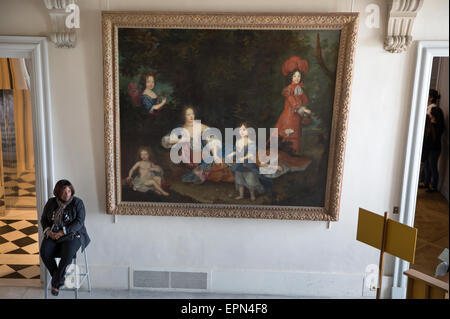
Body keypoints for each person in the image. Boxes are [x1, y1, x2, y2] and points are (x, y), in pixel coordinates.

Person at [40, 180, 91, 296]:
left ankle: (56, 282)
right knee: (44, 252)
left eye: (69, 191)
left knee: (67, 254)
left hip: (73, 235)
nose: (67, 194)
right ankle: (59, 278)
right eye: (63, 192)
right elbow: (43, 219)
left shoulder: (78, 203)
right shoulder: (51, 203)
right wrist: (49, 231)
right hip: (53, 234)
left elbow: (79, 222)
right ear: (57, 193)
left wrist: (63, 231)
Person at [273, 56, 311, 156]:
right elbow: (293, 103)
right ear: (291, 77)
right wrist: (305, 111)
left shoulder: (300, 89)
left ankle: (293, 154)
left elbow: (303, 101)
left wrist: (304, 110)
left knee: (296, 136)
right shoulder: (288, 89)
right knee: (288, 135)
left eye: (298, 76)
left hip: (296, 117)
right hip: (289, 117)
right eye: (294, 76)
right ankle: (285, 156)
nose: (297, 78)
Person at [421, 89, 445, 193]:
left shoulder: (435, 110)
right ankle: (426, 183)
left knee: (432, 165)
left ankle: (434, 186)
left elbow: (438, 129)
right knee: (427, 164)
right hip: (429, 144)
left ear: (431, 97)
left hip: (434, 145)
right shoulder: (429, 109)